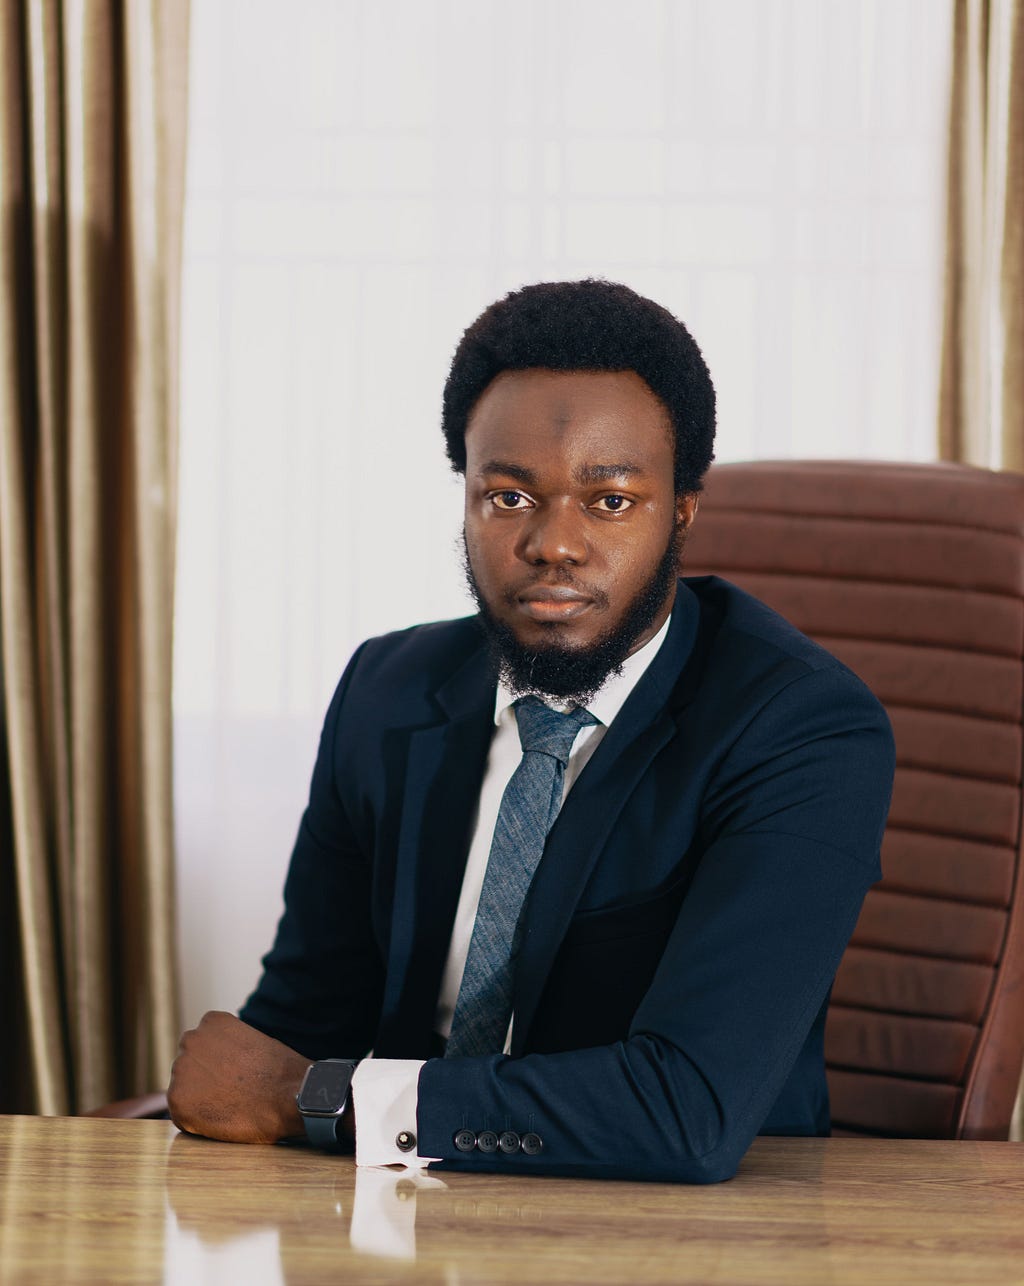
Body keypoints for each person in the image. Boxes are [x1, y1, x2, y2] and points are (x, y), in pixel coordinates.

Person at [168, 279, 895, 1183]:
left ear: (682, 510)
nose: (554, 543)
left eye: (611, 500)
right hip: (395, 1223)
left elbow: (690, 1111)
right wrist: (267, 1093)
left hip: (691, 1239)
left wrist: (327, 1100)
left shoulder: (800, 729)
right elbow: (298, 1029)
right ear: (466, 500)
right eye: (509, 498)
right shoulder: (387, 691)